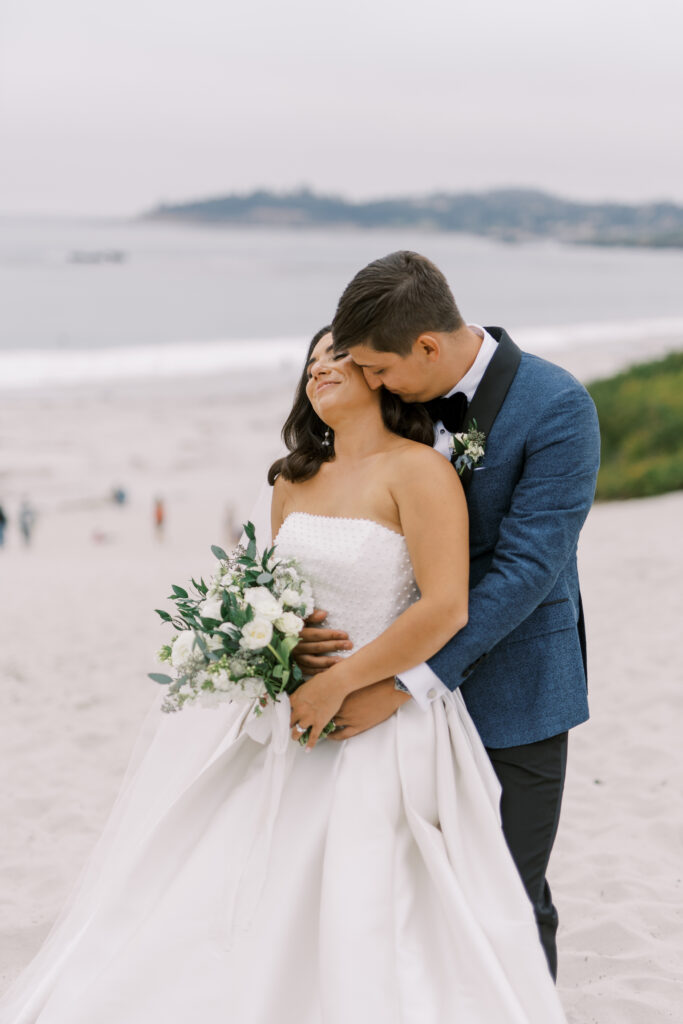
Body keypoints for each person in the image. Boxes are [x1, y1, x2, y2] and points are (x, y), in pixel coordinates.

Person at [0, 327, 567, 1024]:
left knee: (372, 899)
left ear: (378, 376)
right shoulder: (290, 481)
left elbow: (444, 607)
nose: (320, 368)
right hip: (290, 709)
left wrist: (349, 681)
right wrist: (282, 641)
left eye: (339, 356)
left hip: (381, 711)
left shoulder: (421, 471)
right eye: (311, 359)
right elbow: (281, 592)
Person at [295, 252, 601, 979]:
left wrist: (402, 683)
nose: (368, 382)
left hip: (512, 693)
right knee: (400, 897)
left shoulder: (556, 407)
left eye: (376, 368)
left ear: (427, 346)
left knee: (507, 897)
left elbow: (528, 569)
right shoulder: (395, 401)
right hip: (383, 689)